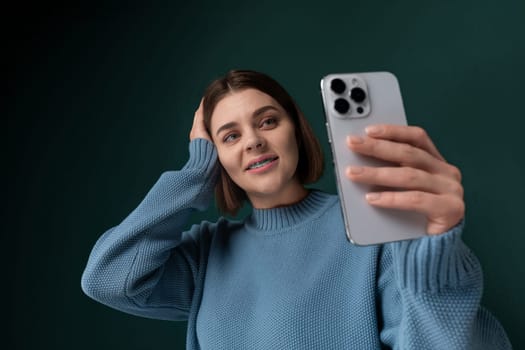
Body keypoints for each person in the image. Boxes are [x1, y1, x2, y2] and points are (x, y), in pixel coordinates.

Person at [81, 69, 512, 349]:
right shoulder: (206, 253)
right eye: (229, 136)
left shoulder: (373, 229)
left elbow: (443, 341)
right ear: (215, 155)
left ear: (297, 130)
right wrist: (196, 173)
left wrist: (434, 252)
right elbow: (108, 279)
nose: (253, 141)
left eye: (268, 121)